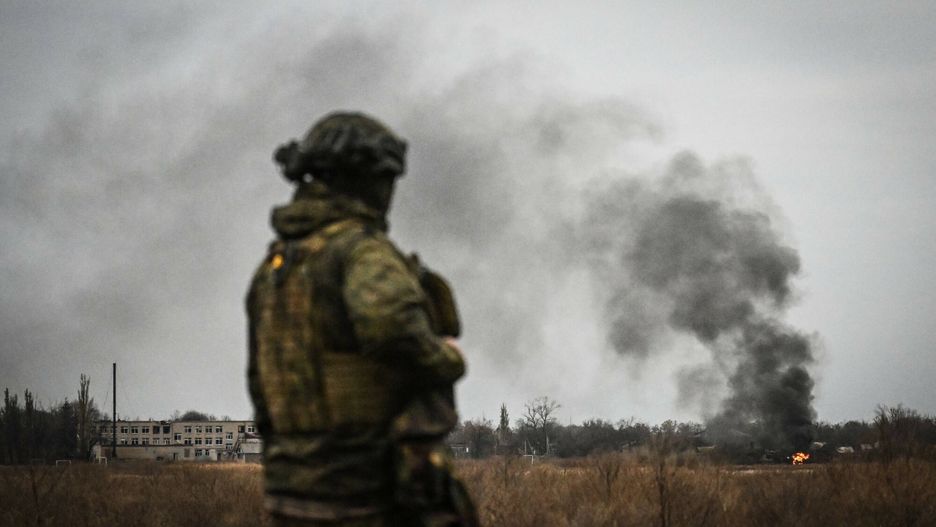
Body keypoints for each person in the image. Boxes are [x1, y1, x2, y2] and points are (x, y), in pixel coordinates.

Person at [246, 112, 478, 527]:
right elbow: (392, 328)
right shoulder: (359, 251)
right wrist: (448, 357)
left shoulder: (275, 268)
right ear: (365, 178)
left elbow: (260, 385)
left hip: (291, 493)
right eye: (387, 179)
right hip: (365, 492)